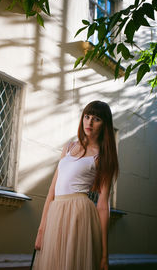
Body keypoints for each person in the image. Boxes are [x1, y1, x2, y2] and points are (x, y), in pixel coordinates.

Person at [33, 101, 119, 270]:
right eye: (87, 117)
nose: (89, 122)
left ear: (104, 124)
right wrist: (41, 230)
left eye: (96, 119)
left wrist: (104, 254)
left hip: (79, 214)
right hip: (56, 213)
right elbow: (52, 191)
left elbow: (102, 205)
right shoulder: (68, 147)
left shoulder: (102, 157)